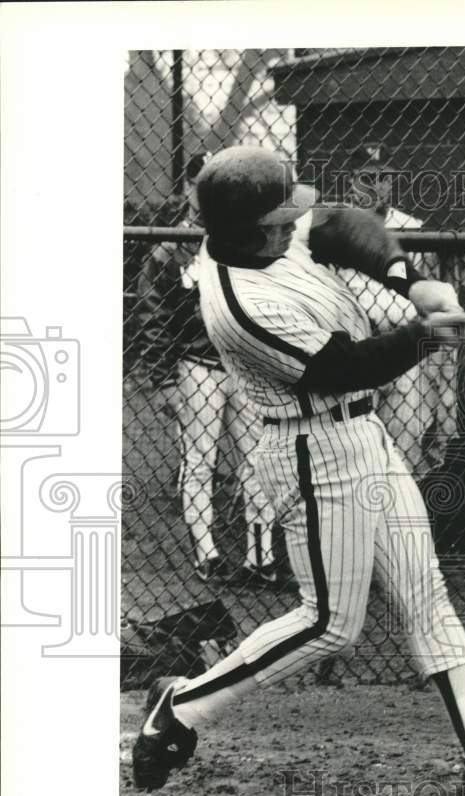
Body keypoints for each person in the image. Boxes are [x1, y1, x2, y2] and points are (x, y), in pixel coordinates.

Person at [132, 144, 465, 792]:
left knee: (424, 591)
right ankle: (182, 708)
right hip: (311, 452)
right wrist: (427, 334)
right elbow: (344, 367)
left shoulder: (272, 230)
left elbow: (342, 224)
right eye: (278, 223)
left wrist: (408, 279)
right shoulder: (238, 302)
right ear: (239, 230)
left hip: (364, 434)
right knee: (330, 624)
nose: (294, 228)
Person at [135, 153, 279, 587]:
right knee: (199, 460)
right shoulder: (170, 246)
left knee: (260, 460)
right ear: (189, 187)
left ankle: (261, 556)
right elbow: (152, 316)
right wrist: (162, 380)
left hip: (244, 365)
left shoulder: (240, 236)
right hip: (196, 366)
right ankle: (208, 553)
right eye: (202, 181)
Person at [339, 149, 465, 478]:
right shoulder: (337, 224)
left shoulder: (411, 227)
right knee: (354, 451)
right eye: (368, 178)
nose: (377, 186)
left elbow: (448, 291)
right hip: (356, 348)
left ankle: (396, 517)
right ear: (351, 181)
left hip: (401, 351)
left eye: (384, 178)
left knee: (403, 451)